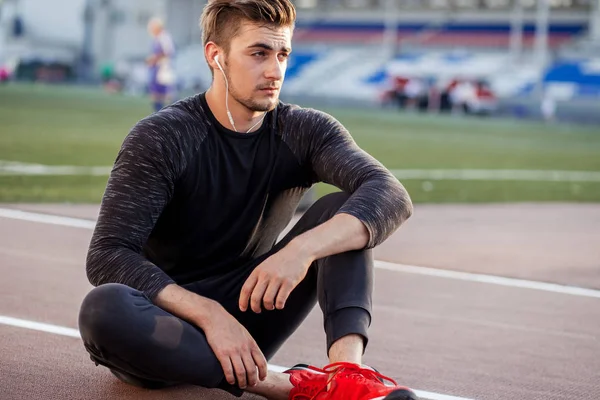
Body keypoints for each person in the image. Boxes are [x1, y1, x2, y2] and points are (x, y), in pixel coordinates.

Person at [78, 1, 416, 399]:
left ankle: (345, 376)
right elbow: (107, 255)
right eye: (258, 53)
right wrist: (209, 315)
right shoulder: (163, 136)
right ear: (215, 56)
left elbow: (390, 193)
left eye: (283, 54)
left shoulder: (304, 129)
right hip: (169, 325)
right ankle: (287, 388)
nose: (275, 71)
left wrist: (301, 251)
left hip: (253, 311)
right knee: (104, 309)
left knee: (344, 210)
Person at [146, 17, 176, 112]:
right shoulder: (157, 38)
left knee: (164, 94)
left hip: (163, 68)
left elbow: (168, 51)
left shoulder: (164, 37)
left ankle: (165, 114)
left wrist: (154, 59)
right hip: (157, 68)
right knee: (156, 92)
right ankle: (158, 113)